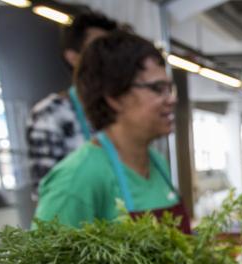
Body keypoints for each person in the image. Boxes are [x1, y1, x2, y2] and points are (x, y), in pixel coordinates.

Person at [35, 30, 188, 231]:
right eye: (158, 88)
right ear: (114, 96)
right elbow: (43, 261)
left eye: (170, 88)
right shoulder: (77, 178)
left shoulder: (157, 163)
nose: (172, 99)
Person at [26, 10, 118, 195]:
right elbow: (46, 193)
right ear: (73, 57)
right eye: (97, 47)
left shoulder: (119, 109)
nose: (107, 56)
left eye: (110, 48)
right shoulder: (50, 113)